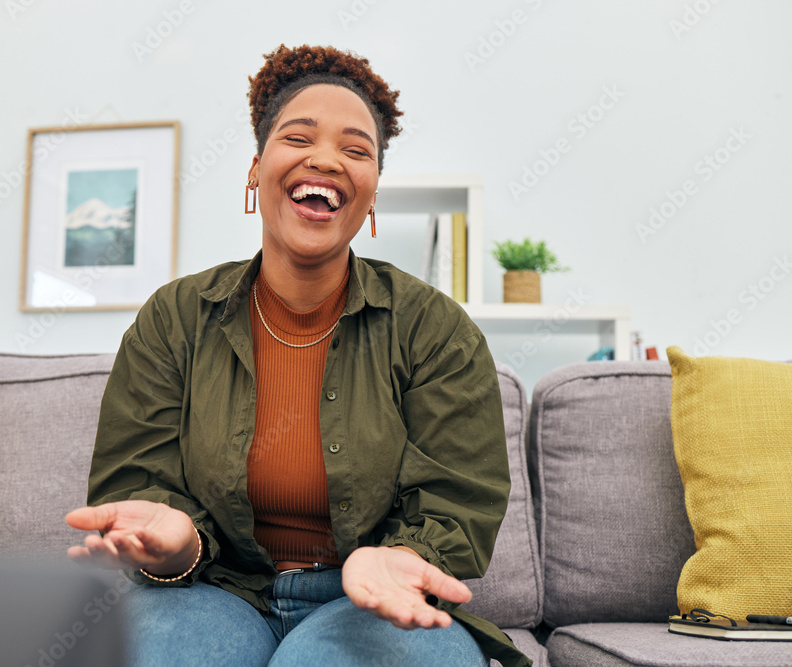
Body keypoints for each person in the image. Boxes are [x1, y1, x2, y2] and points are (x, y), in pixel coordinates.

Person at [65, 44, 528, 667]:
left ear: (371, 193)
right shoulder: (174, 319)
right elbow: (137, 484)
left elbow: (458, 503)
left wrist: (403, 559)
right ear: (256, 170)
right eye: (299, 137)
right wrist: (176, 547)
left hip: (366, 600)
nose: (327, 159)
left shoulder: (435, 330)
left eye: (357, 149)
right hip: (210, 590)